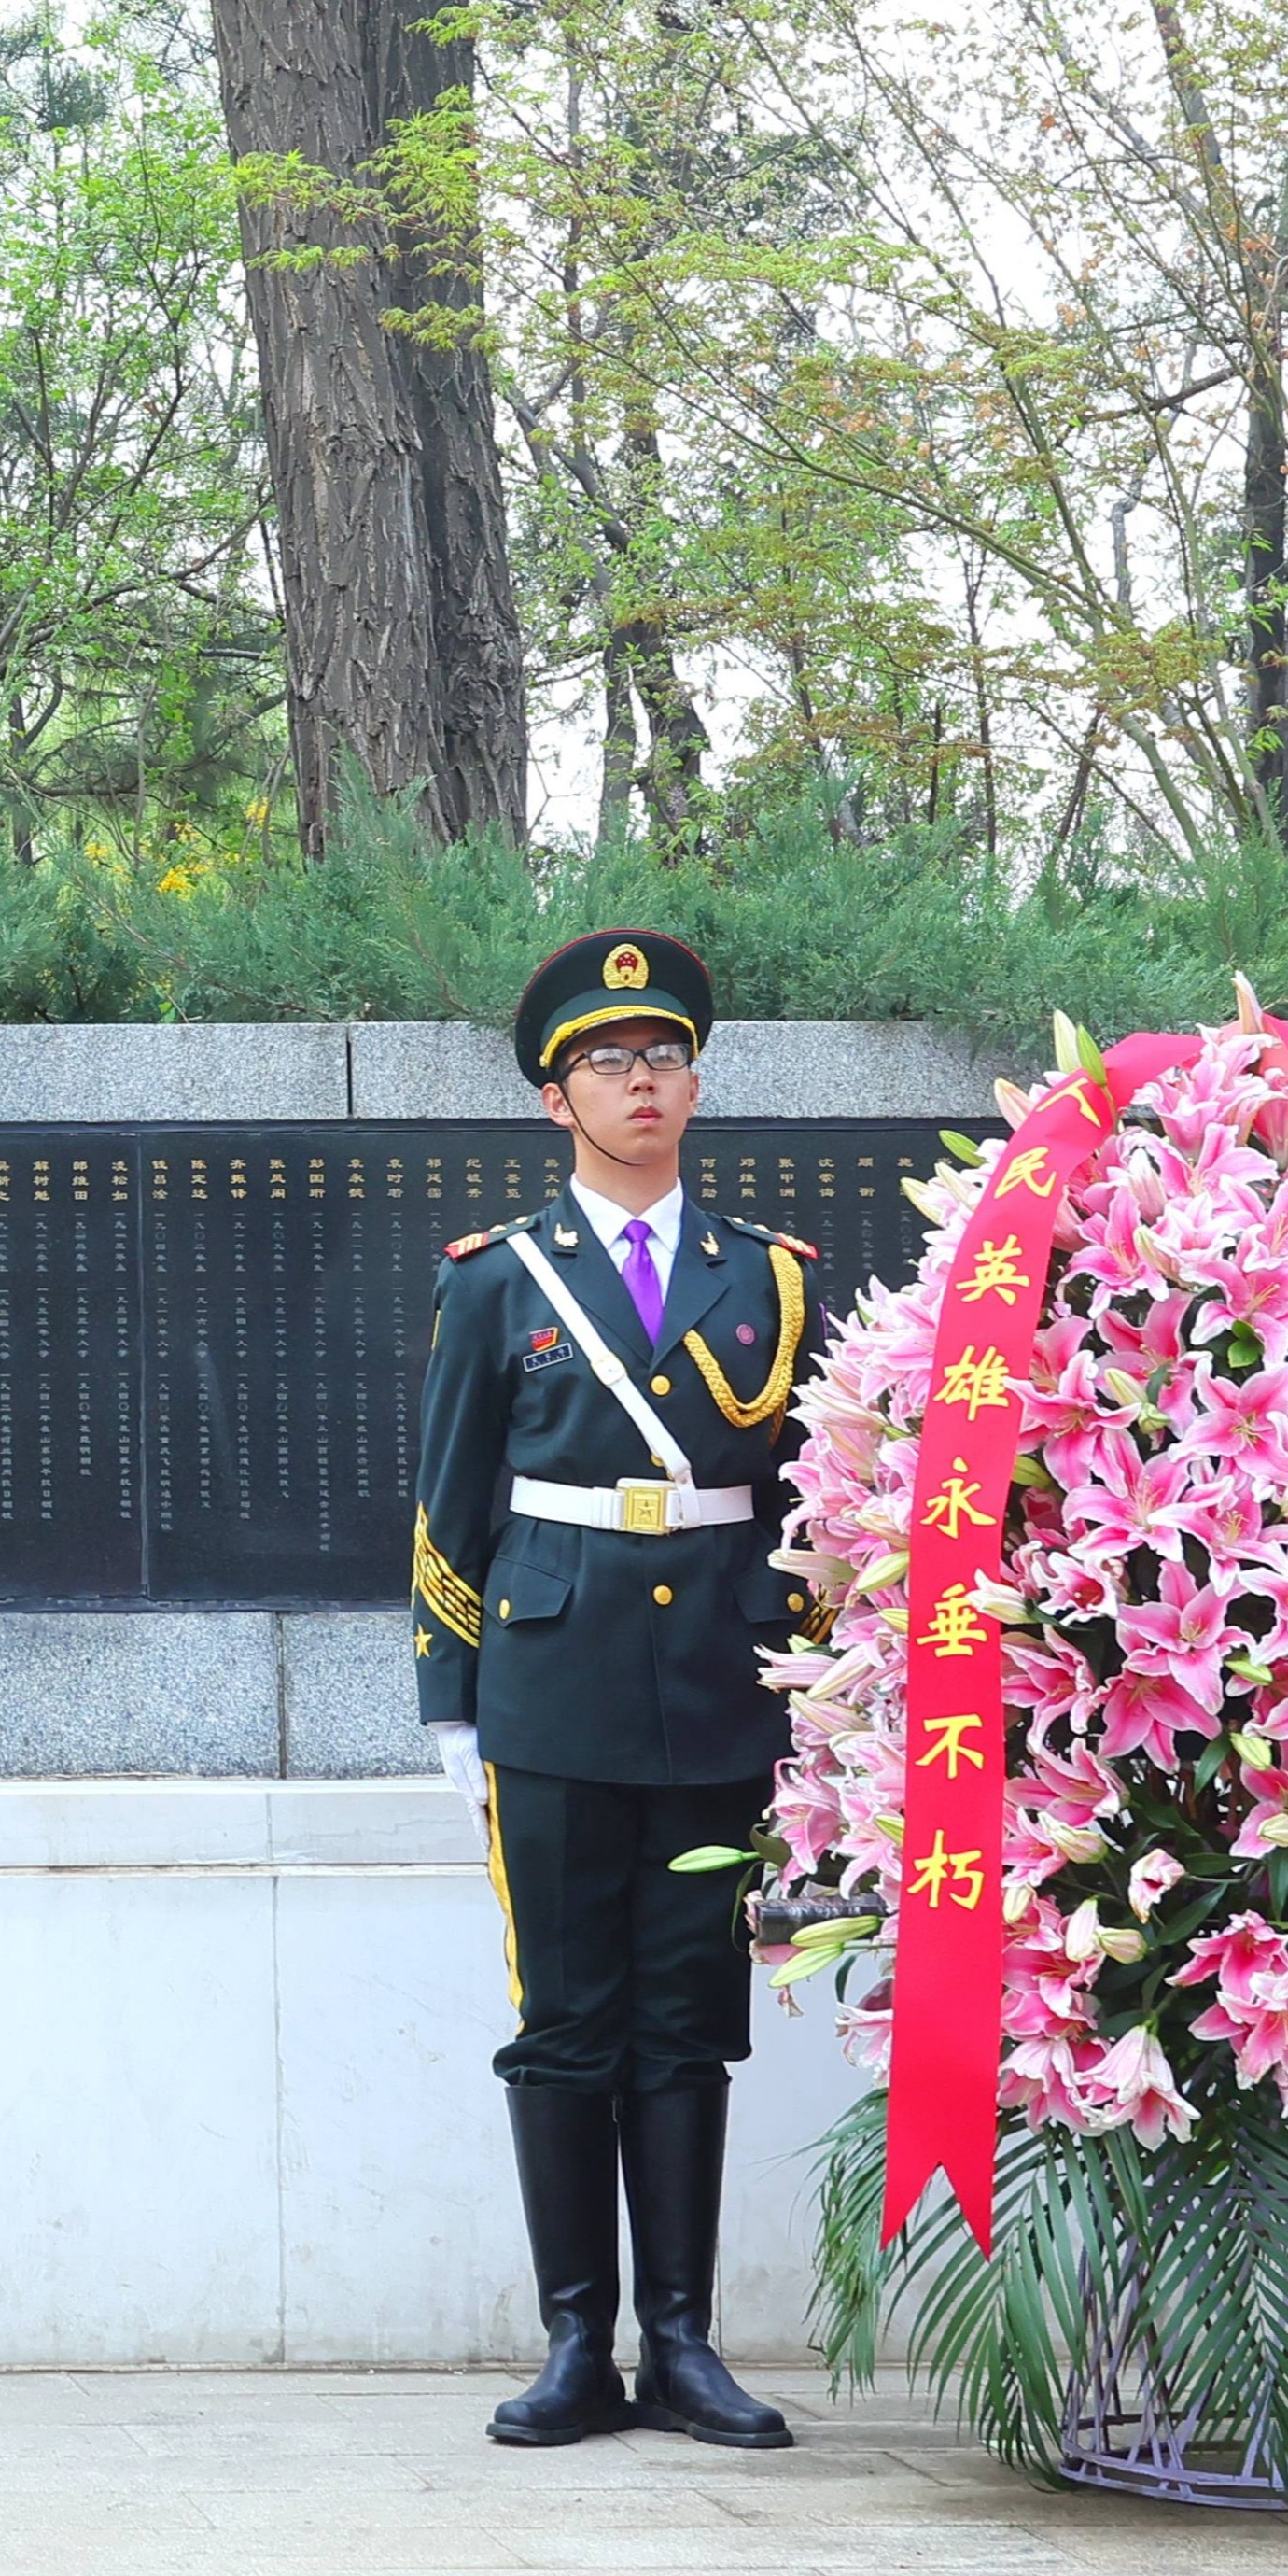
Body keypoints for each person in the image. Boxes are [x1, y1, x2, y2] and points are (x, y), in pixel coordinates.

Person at [413, 930, 818, 2451]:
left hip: (718, 1686)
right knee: (567, 2019)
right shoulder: (496, 1284)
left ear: (695, 1084)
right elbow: (451, 1504)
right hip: (552, 1684)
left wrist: (814, 1697)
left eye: (660, 1058)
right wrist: (451, 1705)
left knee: (689, 2014)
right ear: (554, 1099)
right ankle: (578, 2341)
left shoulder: (767, 1280)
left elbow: (803, 1504)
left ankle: (686, 2343)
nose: (638, 1081)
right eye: (605, 1062)